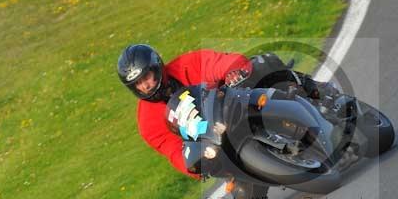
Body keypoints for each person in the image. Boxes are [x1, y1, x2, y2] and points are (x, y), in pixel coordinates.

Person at [117, 44, 337, 180]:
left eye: (146, 77)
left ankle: (319, 91)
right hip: (213, 141)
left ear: (157, 68)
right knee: (246, 196)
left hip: (232, 104)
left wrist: (232, 72)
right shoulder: (147, 123)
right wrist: (193, 167)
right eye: (138, 84)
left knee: (264, 64)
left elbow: (218, 63)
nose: (145, 86)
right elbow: (173, 151)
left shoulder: (186, 64)